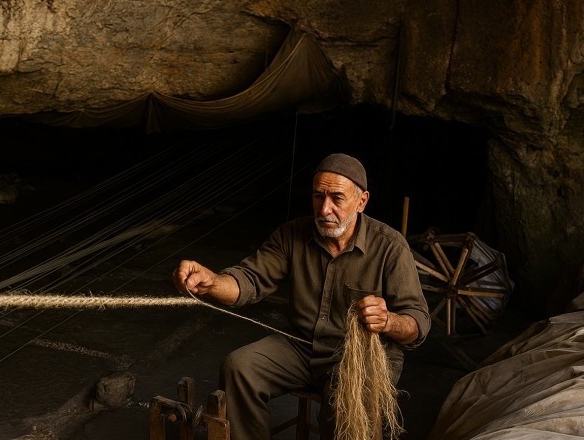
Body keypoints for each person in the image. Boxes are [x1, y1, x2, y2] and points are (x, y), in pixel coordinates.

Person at [172, 153, 430, 439]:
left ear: (362, 201)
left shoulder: (390, 247)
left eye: (337, 198)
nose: (325, 208)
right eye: (318, 196)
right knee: (240, 367)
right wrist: (212, 282)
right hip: (302, 346)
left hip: (359, 359)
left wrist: (389, 321)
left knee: (349, 401)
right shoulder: (291, 235)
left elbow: (417, 323)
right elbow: (250, 279)